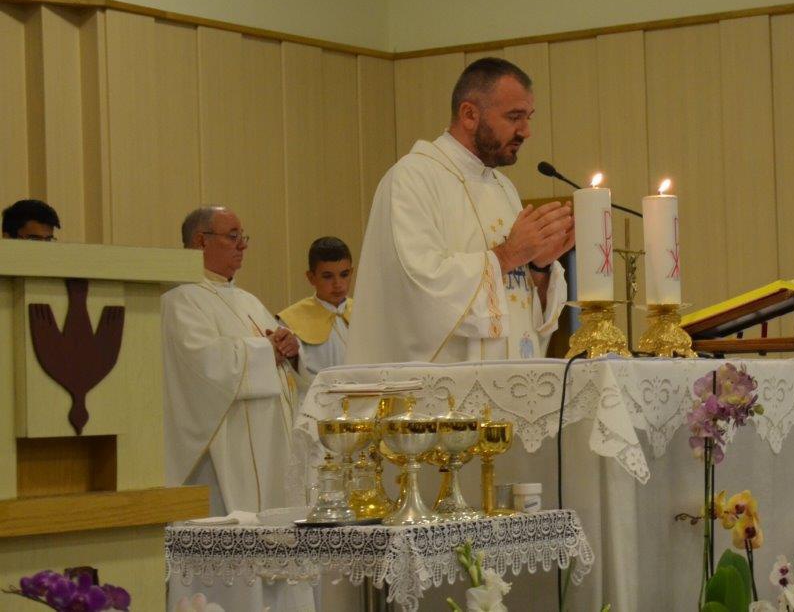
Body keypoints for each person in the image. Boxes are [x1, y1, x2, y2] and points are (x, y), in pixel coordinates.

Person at [345, 57, 574, 364]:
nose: (526, 131)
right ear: (469, 115)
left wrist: (539, 267)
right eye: (514, 117)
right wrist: (507, 255)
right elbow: (418, 287)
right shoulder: (413, 178)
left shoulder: (503, 188)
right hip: (439, 387)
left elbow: (517, 304)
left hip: (510, 381)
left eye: (528, 117)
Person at [161, 205, 303, 515]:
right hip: (225, 453)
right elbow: (202, 365)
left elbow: (278, 354)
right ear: (201, 241)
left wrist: (291, 349)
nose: (243, 246)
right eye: (233, 236)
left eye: (243, 237)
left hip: (270, 446)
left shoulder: (247, 300)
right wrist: (266, 351)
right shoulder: (179, 299)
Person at [277, 236, 354, 399]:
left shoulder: (363, 312)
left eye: (344, 274)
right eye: (327, 276)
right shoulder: (291, 321)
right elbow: (290, 377)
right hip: (318, 403)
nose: (338, 284)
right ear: (311, 277)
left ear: (352, 273)